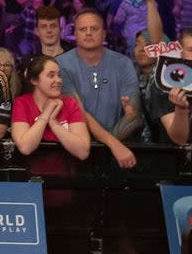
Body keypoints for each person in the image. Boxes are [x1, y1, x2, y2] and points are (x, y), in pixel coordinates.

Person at [56, 9, 139, 168]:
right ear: (75, 34)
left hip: (117, 155)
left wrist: (107, 146)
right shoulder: (60, 64)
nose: (88, 33)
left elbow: (133, 115)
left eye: (94, 29)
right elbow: (78, 112)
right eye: (82, 29)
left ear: (104, 34)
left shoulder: (123, 63)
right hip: (74, 151)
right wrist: (112, 144)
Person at [10, 55, 90, 175]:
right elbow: (25, 147)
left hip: (65, 182)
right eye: (51, 75)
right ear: (34, 80)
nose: (58, 80)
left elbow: (83, 151)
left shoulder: (69, 104)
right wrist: (46, 114)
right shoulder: (22, 103)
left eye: (59, 75)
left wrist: (53, 123)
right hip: (32, 183)